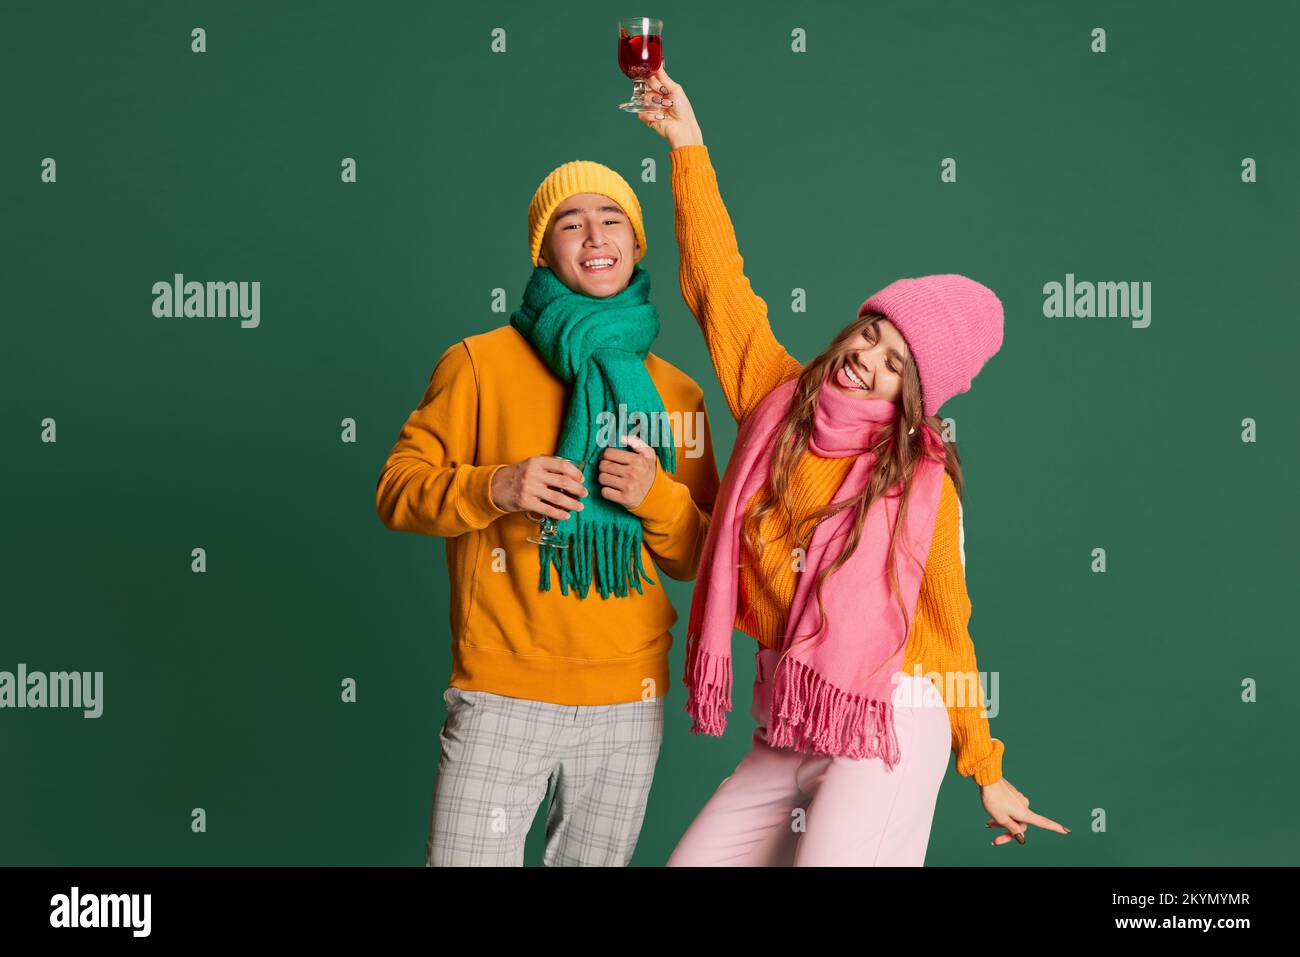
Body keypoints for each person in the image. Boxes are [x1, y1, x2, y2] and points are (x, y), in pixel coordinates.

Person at [634, 65, 1068, 865]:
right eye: (872, 332)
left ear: (915, 397)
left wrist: (987, 767)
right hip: (791, 719)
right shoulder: (776, 397)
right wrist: (687, 145)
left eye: (897, 364)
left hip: (887, 722)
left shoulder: (920, 489)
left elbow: (947, 632)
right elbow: (717, 286)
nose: (868, 359)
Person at [375, 157, 720, 866]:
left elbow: (702, 559)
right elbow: (397, 490)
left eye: (612, 217)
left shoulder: (676, 393)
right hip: (503, 690)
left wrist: (655, 495)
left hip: (629, 698)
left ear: (636, 241)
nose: (594, 234)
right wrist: (495, 486)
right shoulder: (477, 363)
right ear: (545, 249)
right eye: (571, 221)